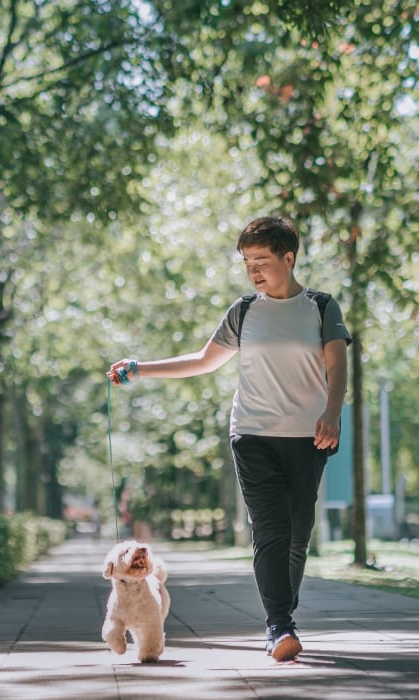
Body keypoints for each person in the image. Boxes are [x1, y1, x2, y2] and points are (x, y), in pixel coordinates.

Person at [108, 215, 351, 662]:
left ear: (289, 258)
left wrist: (332, 413)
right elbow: (203, 360)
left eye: (261, 260)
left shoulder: (321, 307)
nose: (253, 270)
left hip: (308, 436)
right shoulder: (244, 311)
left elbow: (337, 367)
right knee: (272, 529)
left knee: (299, 533)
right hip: (252, 434)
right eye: (246, 262)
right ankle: (279, 625)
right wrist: (141, 368)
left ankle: (283, 613)